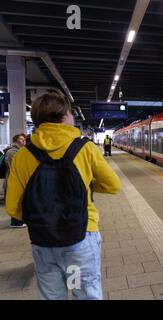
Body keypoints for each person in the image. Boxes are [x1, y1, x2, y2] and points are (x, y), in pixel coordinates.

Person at [6, 92, 121, 300]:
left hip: (43, 242)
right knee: (83, 293)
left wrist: (44, 215)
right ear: (64, 115)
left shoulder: (23, 156)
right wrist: (87, 187)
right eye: (71, 113)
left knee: (51, 296)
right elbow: (113, 185)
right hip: (80, 238)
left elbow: (13, 207)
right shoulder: (85, 148)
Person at [4, 134, 27, 228]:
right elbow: (17, 166)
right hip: (13, 179)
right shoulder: (12, 152)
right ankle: (15, 222)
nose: (23, 141)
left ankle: (19, 220)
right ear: (16, 141)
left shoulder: (20, 151)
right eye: (21, 139)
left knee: (21, 200)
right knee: (16, 200)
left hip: (19, 179)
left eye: (24, 139)